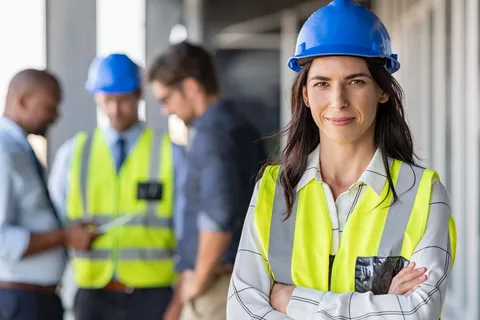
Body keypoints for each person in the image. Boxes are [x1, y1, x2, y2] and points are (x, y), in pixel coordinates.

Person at [227, 0, 457, 319]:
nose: (338, 101)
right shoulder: (272, 190)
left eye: (355, 82)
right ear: (305, 94)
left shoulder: (423, 194)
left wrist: (290, 299)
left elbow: (417, 313)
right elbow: (242, 311)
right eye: (322, 83)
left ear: (382, 90)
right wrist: (380, 305)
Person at [48, 53, 181, 319]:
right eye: (107, 100)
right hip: (93, 294)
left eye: (123, 100)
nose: (115, 110)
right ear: (96, 96)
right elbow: (55, 222)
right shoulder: (74, 154)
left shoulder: (170, 153)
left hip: (153, 294)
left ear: (138, 94)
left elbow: (187, 229)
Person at [147, 41, 267, 320]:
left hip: (216, 287)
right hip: (238, 279)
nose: (166, 110)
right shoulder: (239, 125)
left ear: (190, 87)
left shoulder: (212, 136)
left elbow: (218, 218)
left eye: (166, 99)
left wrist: (197, 283)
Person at [0, 69, 66, 319]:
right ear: (23, 101)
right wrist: (64, 237)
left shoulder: (19, 148)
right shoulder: (3, 152)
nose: (56, 116)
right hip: (19, 302)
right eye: (50, 106)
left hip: (37, 300)